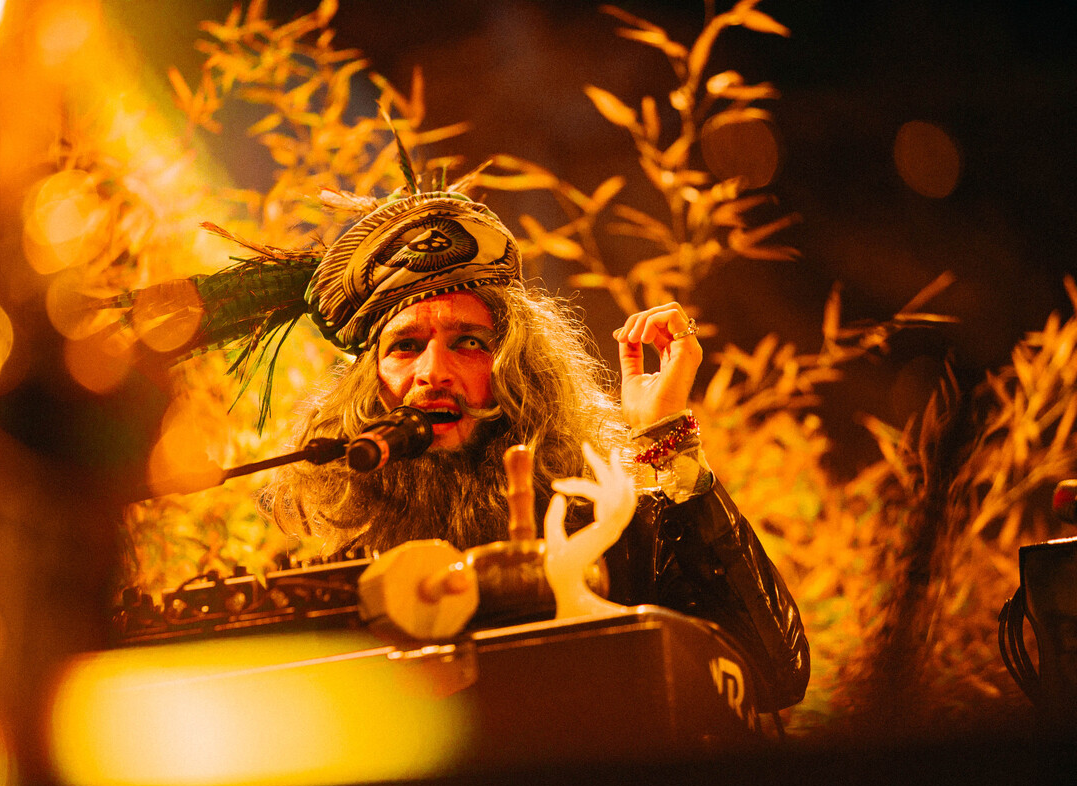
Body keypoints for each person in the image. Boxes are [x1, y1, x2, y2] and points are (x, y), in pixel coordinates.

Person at [189, 187, 812, 712]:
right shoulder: (323, 555)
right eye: (405, 346)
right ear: (369, 383)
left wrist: (664, 434)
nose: (432, 371)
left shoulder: (610, 526)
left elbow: (775, 672)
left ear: (518, 369)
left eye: (468, 343)